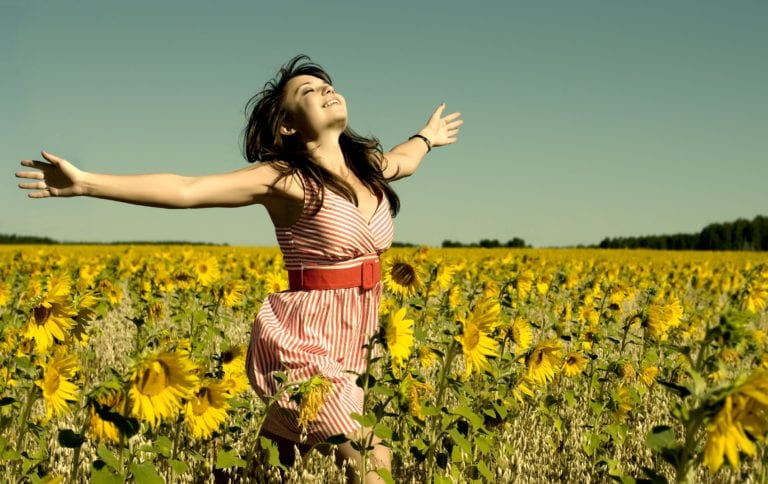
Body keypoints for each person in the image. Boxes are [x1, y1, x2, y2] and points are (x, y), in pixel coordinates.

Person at [16, 54, 462, 483]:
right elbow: (189, 189)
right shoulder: (285, 180)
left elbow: (405, 159)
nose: (326, 90)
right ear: (288, 124)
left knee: (265, 469)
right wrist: (87, 183)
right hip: (304, 345)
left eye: (327, 85)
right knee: (371, 454)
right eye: (308, 90)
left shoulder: (369, 170)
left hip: (356, 342)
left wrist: (425, 137)